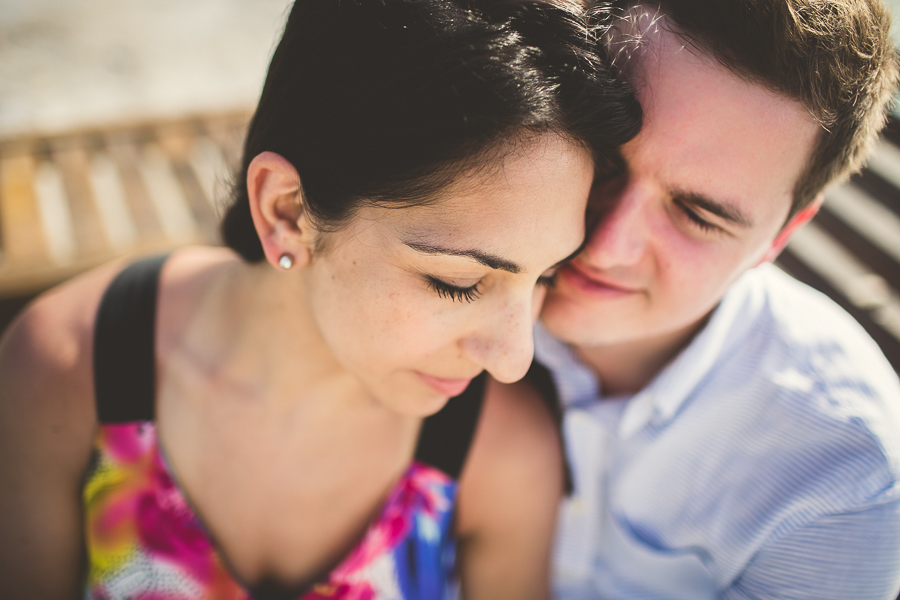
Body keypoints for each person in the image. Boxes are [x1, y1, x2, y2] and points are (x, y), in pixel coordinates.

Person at [0, 0, 641, 598]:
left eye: (545, 276)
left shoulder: (500, 456)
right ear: (286, 210)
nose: (512, 359)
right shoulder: (64, 371)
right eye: (459, 282)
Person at [529, 0, 900, 598]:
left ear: (780, 236)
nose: (606, 245)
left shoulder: (844, 475)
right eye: (599, 159)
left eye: (697, 215)